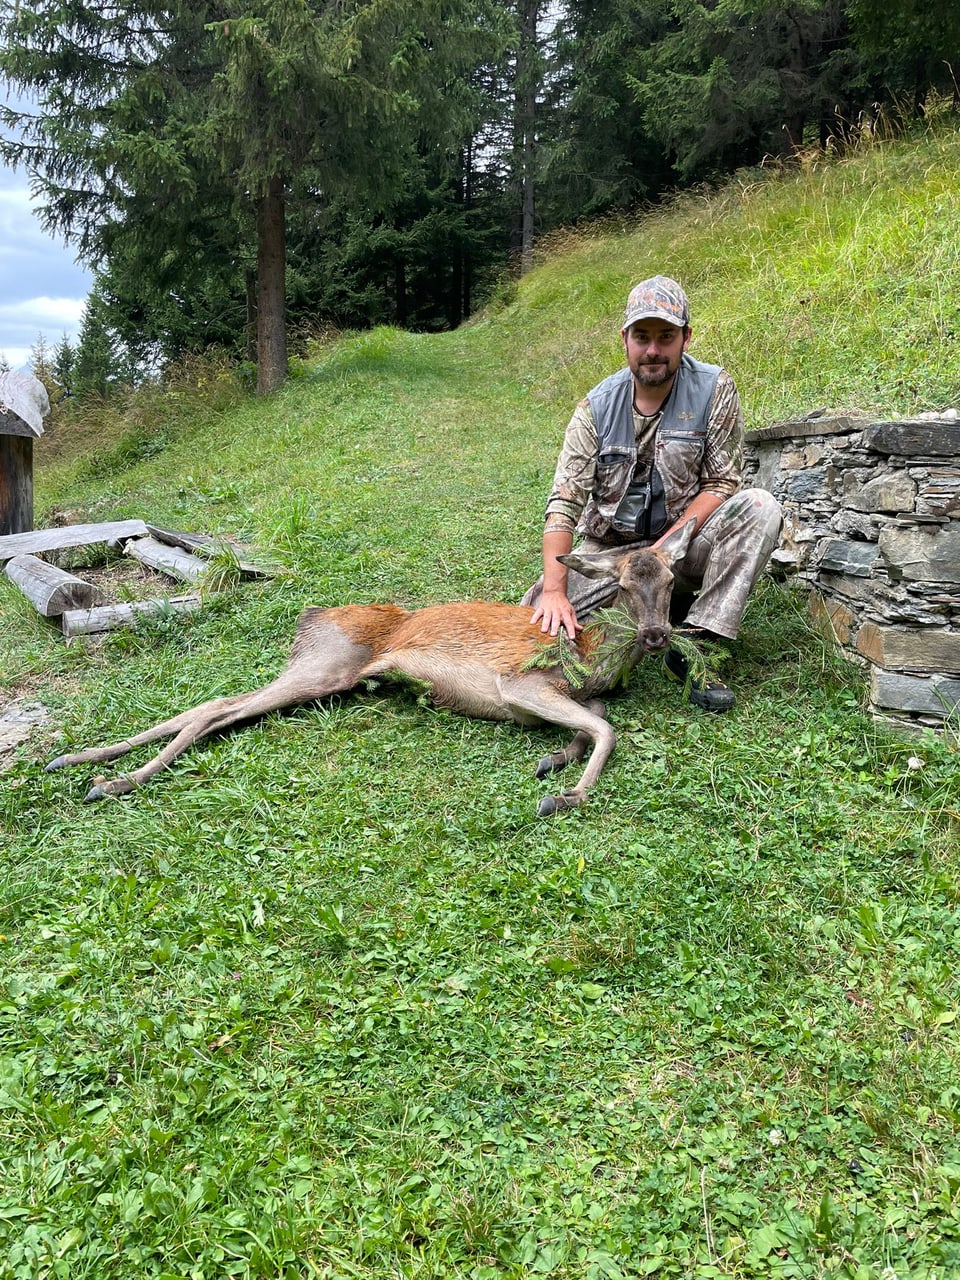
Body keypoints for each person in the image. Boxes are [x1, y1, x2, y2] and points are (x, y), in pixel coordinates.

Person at [522, 275, 782, 712]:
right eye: (642, 337)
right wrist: (554, 590)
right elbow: (565, 503)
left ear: (686, 338)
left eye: (666, 337)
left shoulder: (714, 390)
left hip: (681, 548)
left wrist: (662, 554)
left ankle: (698, 645)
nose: (653, 350)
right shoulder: (595, 408)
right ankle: (648, 615)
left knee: (759, 507)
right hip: (612, 553)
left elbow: (722, 482)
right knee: (537, 618)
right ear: (625, 339)